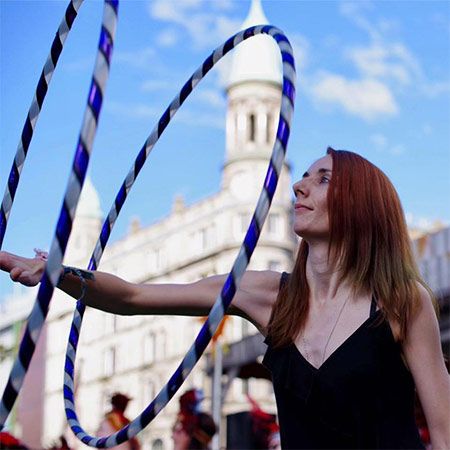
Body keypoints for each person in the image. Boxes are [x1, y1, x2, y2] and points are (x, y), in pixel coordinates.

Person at [1, 148, 449, 448]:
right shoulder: (267, 294)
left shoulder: (401, 301)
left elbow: (445, 430)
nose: (300, 187)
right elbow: (134, 296)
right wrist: (57, 273)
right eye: (304, 177)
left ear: (360, 203)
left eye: (323, 178)